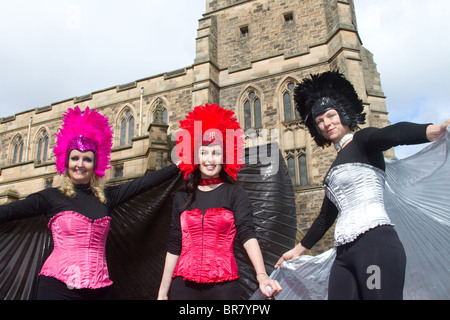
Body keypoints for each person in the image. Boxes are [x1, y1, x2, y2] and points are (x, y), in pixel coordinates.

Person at [274, 71, 449, 300]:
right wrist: (296, 251)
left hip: (375, 245)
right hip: (344, 255)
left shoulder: (364, 141)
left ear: (343, 114)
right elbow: (325, 218)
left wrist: (432, 130)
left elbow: (394, 133)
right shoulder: (333, 170)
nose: (326, 123)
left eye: (330, 115)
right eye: (319, 121)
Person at [0, 106, 179, 300]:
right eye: (75, 158)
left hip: (99, 289)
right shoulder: (50, 197)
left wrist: (180, 166)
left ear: (95, 165)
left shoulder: (107, 197)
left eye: (87, 159)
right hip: (56, 288)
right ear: (66, 162)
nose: (80, 164)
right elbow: (9, 212)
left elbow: (144, 183)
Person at [157, 104, 282, 300]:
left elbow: (248, 234)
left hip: (224, 288)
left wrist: (262, 275)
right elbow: (174, 244)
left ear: (225, 157)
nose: (210, 159)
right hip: (183, 287)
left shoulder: (235, 194)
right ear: (195, 157)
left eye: (216, 153)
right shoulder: (182, 197)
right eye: (204, 152)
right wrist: (163, 292)